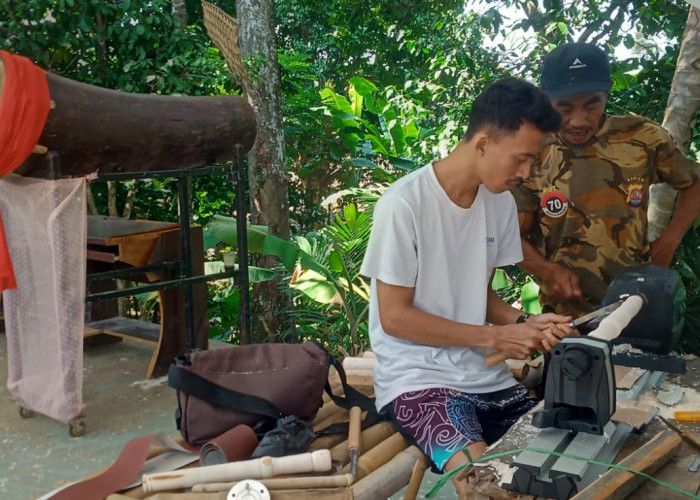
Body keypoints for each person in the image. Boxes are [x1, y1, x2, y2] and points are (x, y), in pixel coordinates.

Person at [359, 77, 575, 498]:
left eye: (533, 161)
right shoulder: (404, 205)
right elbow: (395, 317)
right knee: (486, 486)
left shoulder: (499, 202)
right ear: (482, 143)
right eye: (522, 159)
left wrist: (527, 321)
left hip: (486, 377)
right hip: (418, 380)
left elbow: (478, 294)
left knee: (560, 464)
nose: (526, 173)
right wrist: (497, 336)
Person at [513, 42, 700, 318]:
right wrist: (548, 271)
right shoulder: (532, 149)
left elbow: (695, 183)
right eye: (564, 107)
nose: (579, 121)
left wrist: (667, 243)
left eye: (592, 104)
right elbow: (511, 237)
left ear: (609, 88)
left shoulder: (642, 138)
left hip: (636, 305)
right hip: (564, 317)